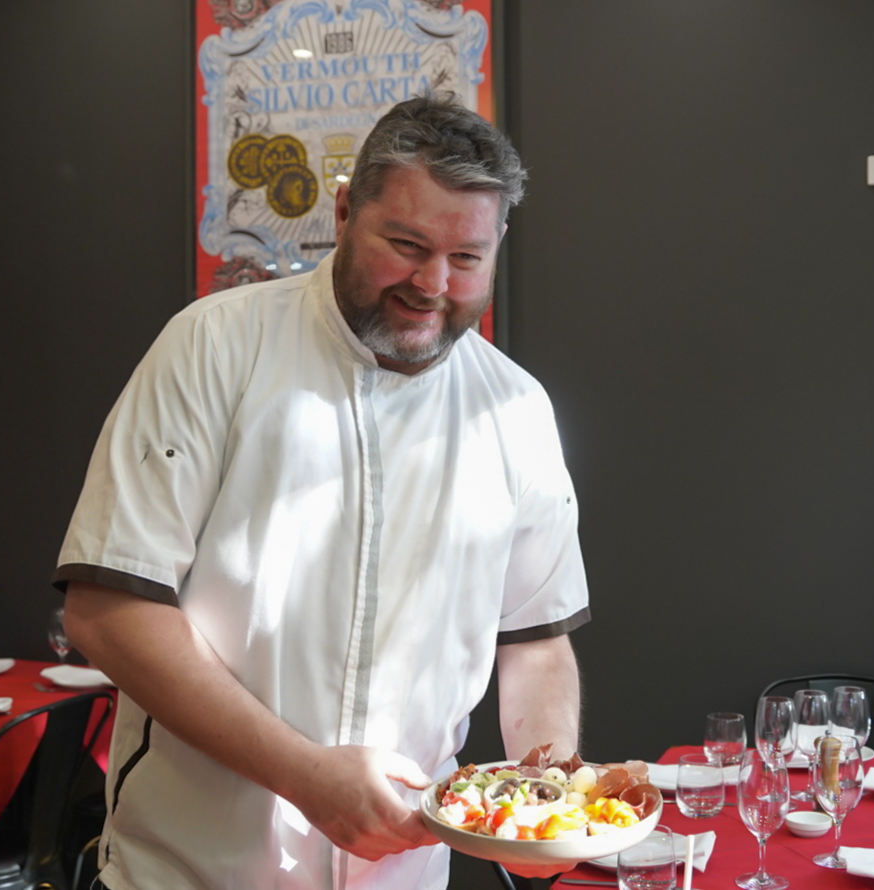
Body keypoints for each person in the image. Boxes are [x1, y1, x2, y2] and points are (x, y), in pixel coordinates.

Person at [53, 93, 589, 889]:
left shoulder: (517, 408)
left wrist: (548, 801)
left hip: (403, 876)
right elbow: (107, 611)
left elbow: (537, 642)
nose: (434, 284)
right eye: (405, 244)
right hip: (188, 873)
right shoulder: (212, 346)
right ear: (344, 212)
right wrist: (306, 775)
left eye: (467, 258)